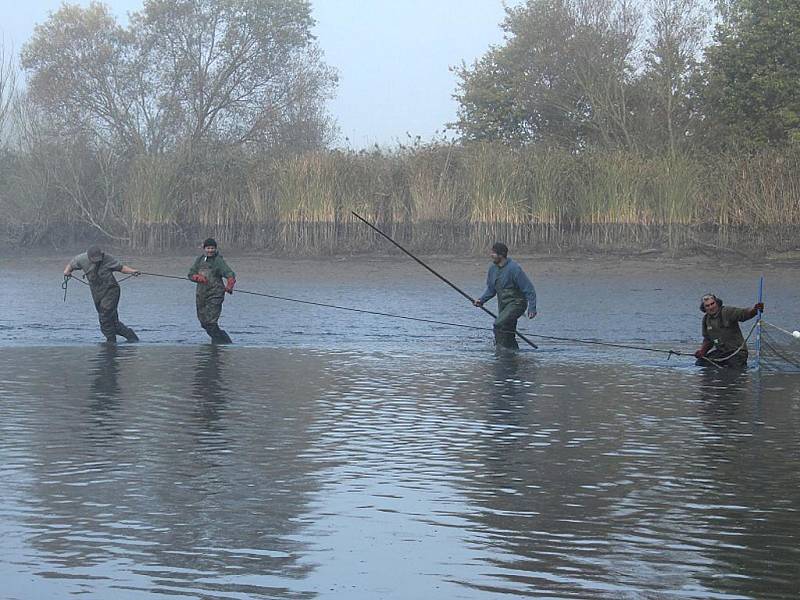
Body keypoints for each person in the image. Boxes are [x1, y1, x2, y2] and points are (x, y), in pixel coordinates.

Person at [63, 245, 140, 343]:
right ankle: (132, 338)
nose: (97, 261)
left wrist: (132, 271)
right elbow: (71, 265)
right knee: (113, 322)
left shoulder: (107, 258)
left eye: (98, 259)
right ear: (89, 257)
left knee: (104, 316)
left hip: (111, 290)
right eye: (94, 259)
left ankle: (110, 341)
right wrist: (67, 271)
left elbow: (121, 268)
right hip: (97, 292)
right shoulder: (81, 259)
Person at [473, 242, 537, 350]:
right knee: (508, 330)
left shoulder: (514, 269)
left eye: (493, 253)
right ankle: (512, 353)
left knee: (498, 324)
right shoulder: (492, 269)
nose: (491, 255)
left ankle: (500, 348)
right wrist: (481, 300)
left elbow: (529, 289)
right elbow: (491, 289)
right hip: (503, 305)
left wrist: (532, 308)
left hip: (517, 304)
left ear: (501, 255)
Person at [694, 293, 764, 368]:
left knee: (732, 368)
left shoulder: (727, 311)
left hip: (737, 352)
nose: (711, 307)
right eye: (707, 306)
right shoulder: (705, 320)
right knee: (700, 363)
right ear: (704, 308)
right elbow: (708, 340)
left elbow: (744, 314)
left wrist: (755, 310)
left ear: (717, 303)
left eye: (712, 304)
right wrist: (702, 351)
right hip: (721, 353)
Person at [188, 238, 236, 344]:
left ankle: (223, 343)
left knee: (210, 322)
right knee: (203, 323)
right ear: (204, 248)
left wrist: (229, 285)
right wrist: (197, 277)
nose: (210, 250)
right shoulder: (200, 259)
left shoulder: (218, 261)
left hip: (215, 294)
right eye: (208, 248)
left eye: (212, 248)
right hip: (201, 294)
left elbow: (230, 274)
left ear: (215, 249)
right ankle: (220, 341)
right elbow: (190, 274)